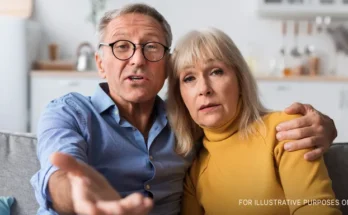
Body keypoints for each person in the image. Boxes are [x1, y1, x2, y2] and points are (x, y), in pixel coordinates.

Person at [31, 3, 338, 215]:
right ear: (100, 63)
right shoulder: (69, 113)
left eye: (151, 47)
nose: (137, 59)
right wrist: (81, 199)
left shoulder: (189, 128)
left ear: (165, 68)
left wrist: (325, 127)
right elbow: (59, 170)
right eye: (122, 46)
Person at [166, 27, 341, 215]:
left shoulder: (287, 129)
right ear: (180, 97)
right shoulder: (194, 173)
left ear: (240, 80)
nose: (204, 89)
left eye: (216, 72)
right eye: (189, 78)